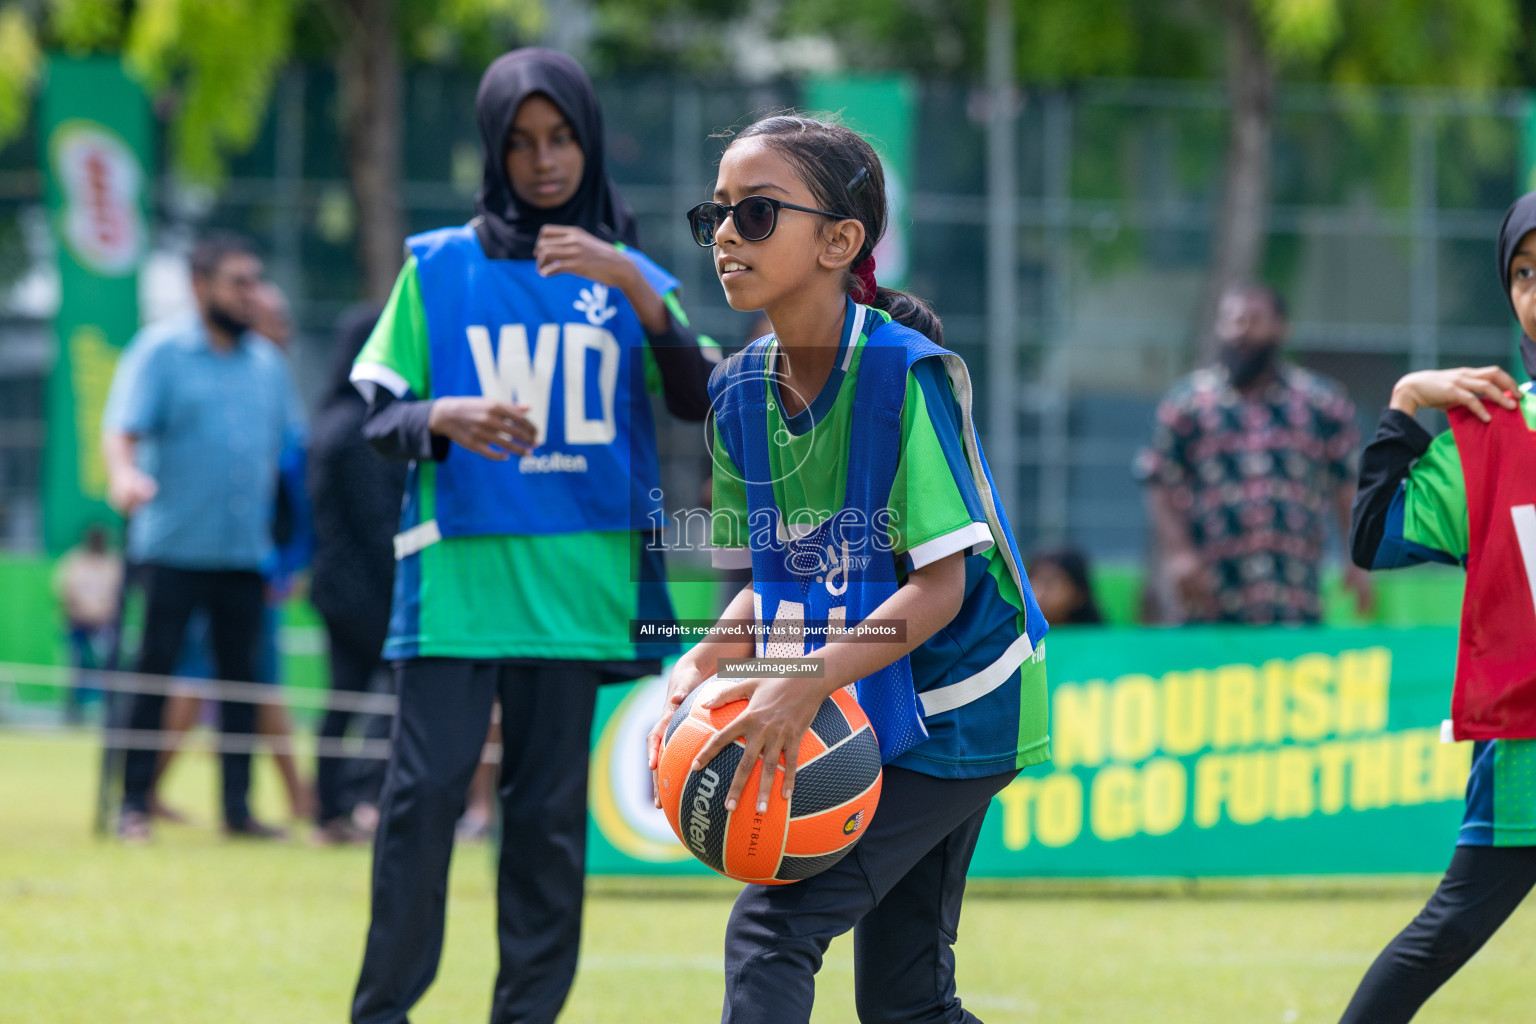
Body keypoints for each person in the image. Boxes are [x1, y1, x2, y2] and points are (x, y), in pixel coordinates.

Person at [646, 113, 1049, 1024]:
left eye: (755, 214)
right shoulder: (739, 390)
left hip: (964, 703)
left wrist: (801, 684)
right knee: (908, 1005)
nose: (724, 238)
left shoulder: (904, 374)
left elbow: (940, 590)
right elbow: (772, 580)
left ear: (840, 240)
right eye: (713, 216)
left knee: (772, 931)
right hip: (878, 687)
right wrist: (699, 666)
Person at [346, 48, 718, 1024]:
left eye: (560, 140)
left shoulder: (636, 273)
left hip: (577, 591)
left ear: (588, 144)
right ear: (493, 150)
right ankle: (381, 1010)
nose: (544, 161)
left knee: (548, 825)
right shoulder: (439, 265)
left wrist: (634, 285)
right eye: (521, 143)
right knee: (422, 805)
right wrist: (444, 415)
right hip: (458, 587)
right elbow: (376, 419)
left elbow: (695, 401)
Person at [1337, 192, 1536, 1023]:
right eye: (1523, 274)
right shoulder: (1495, 433)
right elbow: (1374, 539)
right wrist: (1408, 399)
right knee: (1445, 934)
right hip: (1530, 750)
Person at [102, 231, 305, 842]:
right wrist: (124, 476)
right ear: (200, 285)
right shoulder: (160, 352)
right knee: (153, 675)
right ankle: (133, 803)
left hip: (244, 554)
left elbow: (287, 458)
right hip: (172, 548)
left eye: (254, 281)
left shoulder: (268, 366)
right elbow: (122, 428)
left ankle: (238, 811)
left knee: (242, 683)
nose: (251, 294)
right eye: (237, 282)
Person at [1135, 284, 1374, 624]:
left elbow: (1346, 482)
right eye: (1231, 321)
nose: (1240, 330)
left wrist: (1357, 556)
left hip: (1293, 589)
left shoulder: (1322, 403)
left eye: (1253, 320)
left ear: (1281, 327)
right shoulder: (1187, 404)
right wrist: (1179, 553)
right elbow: (1158, 479)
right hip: (1209, 594)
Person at [307, 303, 404, 845]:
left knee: (340, 700)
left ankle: (330, 807)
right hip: (369, 586)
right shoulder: (364, 430)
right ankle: (363, 798)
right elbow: (377, 521)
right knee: (388, 696)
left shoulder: (329, 421)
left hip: (333, 584)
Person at [53, 524, 123, 723]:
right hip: (78, 625)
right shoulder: (74, 561)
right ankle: (74, 712)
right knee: (77, 669)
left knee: (110, 669)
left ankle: (110, 710)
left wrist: (103, 616)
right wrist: (84, 613)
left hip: (105, 626)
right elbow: (64, 591)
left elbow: (119, 594)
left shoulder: (113, 562)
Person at [1026, 546, 1103, 625]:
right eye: (1031, 582)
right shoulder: (1017, 635)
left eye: (1050, 583)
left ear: (1079, 594)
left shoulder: (1101, 636)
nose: (1037, 593)